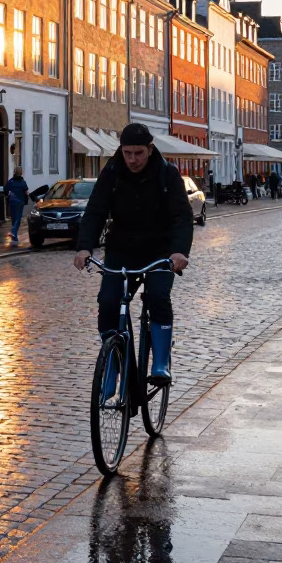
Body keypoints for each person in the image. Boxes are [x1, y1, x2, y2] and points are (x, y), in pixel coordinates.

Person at [73, 122, 193, 386]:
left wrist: (179, 252)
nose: (133, 159)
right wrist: (84, 246)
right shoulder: (113, 172)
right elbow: (95, 211)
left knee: (158, 296)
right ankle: (114, 361)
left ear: (150, 149)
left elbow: (182, 217)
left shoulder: (167, 174)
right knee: (107, 301)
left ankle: (161, 361)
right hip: (122, 249)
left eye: (138, 153)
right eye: (128, 153)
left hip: (160, 251)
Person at [3, 166, 30, 243]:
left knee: (14, 219)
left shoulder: (11, 181)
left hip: (12, 202)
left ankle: (14, 237)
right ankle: (14, 232)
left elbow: (5, 189)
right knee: (18, 219)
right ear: (21, 173)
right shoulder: (23, 182)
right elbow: (26, 192)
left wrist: (8, 196)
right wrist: (26, 201)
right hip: (20, 202)